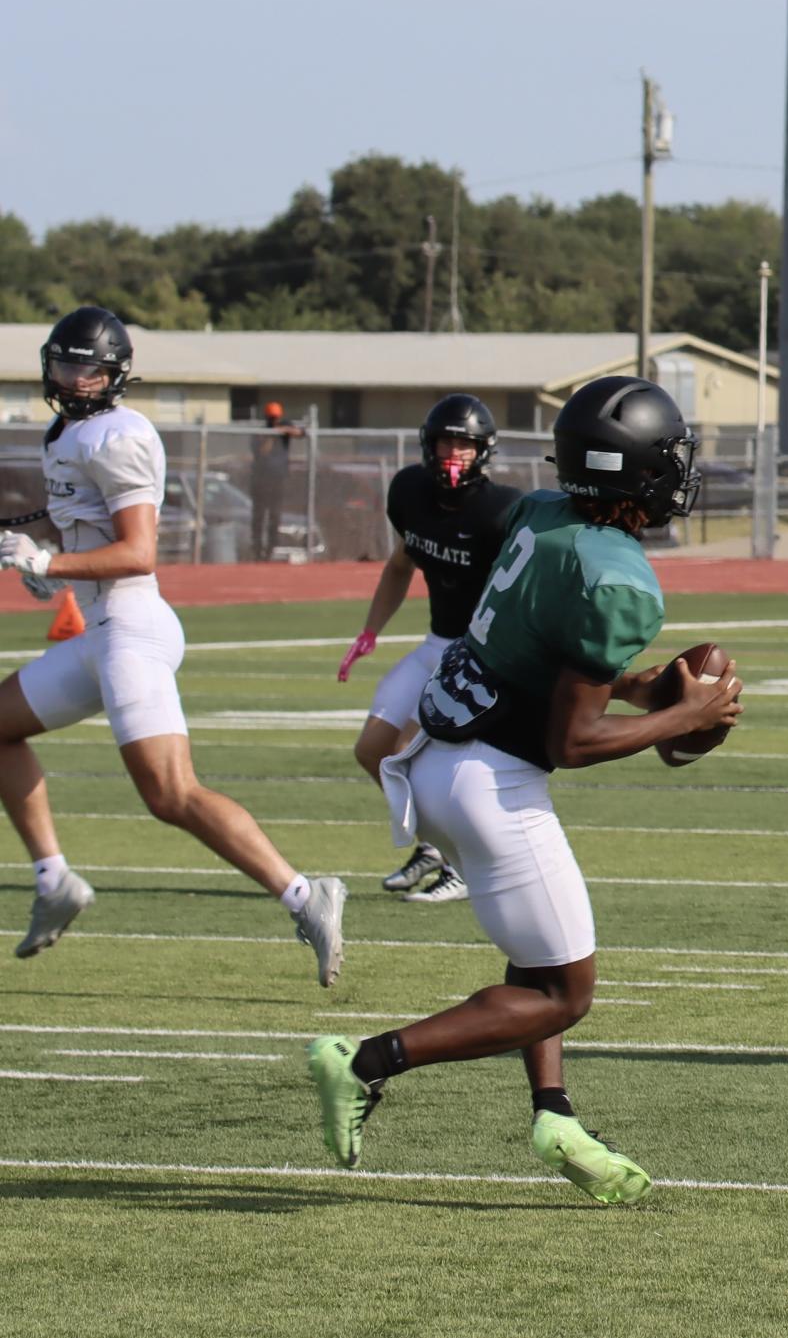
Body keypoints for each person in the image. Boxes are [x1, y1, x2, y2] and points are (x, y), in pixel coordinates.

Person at [306, 374, 742, 1202]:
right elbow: (571, 740)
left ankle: (555, 1112)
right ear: (637, 471)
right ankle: (365, 1061)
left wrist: (648, 692)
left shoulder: (541, 514)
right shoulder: (618, 576)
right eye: (669, 456)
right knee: (562, 993)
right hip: (493, 779)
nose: (678, 471)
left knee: (534, 960)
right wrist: (688, 715)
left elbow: (547, 663)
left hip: (439, 754)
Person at [0, 308, 346, 977]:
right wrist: (40, 554)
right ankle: (54, 881)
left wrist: (48, 566)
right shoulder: (65, 431)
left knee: (169, 793)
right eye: (65, 362)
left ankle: (307, 893)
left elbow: (137, 551)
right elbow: (82, 525)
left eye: (88, 367)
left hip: (131, 627)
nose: (73, 377)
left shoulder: (117, 434)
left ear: (114, 376)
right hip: (98, 632)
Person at [336, 394, 521, 904]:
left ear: (483, 451)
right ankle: (433, 848)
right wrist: (371, 630)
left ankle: (461, 866)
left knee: (407, 757)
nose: (453, 453)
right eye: (446, 441)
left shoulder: (498, 510)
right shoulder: (410, 493)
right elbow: (401, 564)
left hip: (477, 653)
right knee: (372, 752)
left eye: (464, 444)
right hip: (436, 644)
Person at [250, 401, 303, 561]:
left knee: (275, 516)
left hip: (278, 480)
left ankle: (271, 549)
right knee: (259, 517)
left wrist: (282, 429)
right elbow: (262, 452)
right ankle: (257, 549)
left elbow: (301, 433)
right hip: (261, 481)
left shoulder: (285, 428)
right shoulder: (261, 433)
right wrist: (272, 434)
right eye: (271, 417)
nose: (273, 420)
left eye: (276, 417)